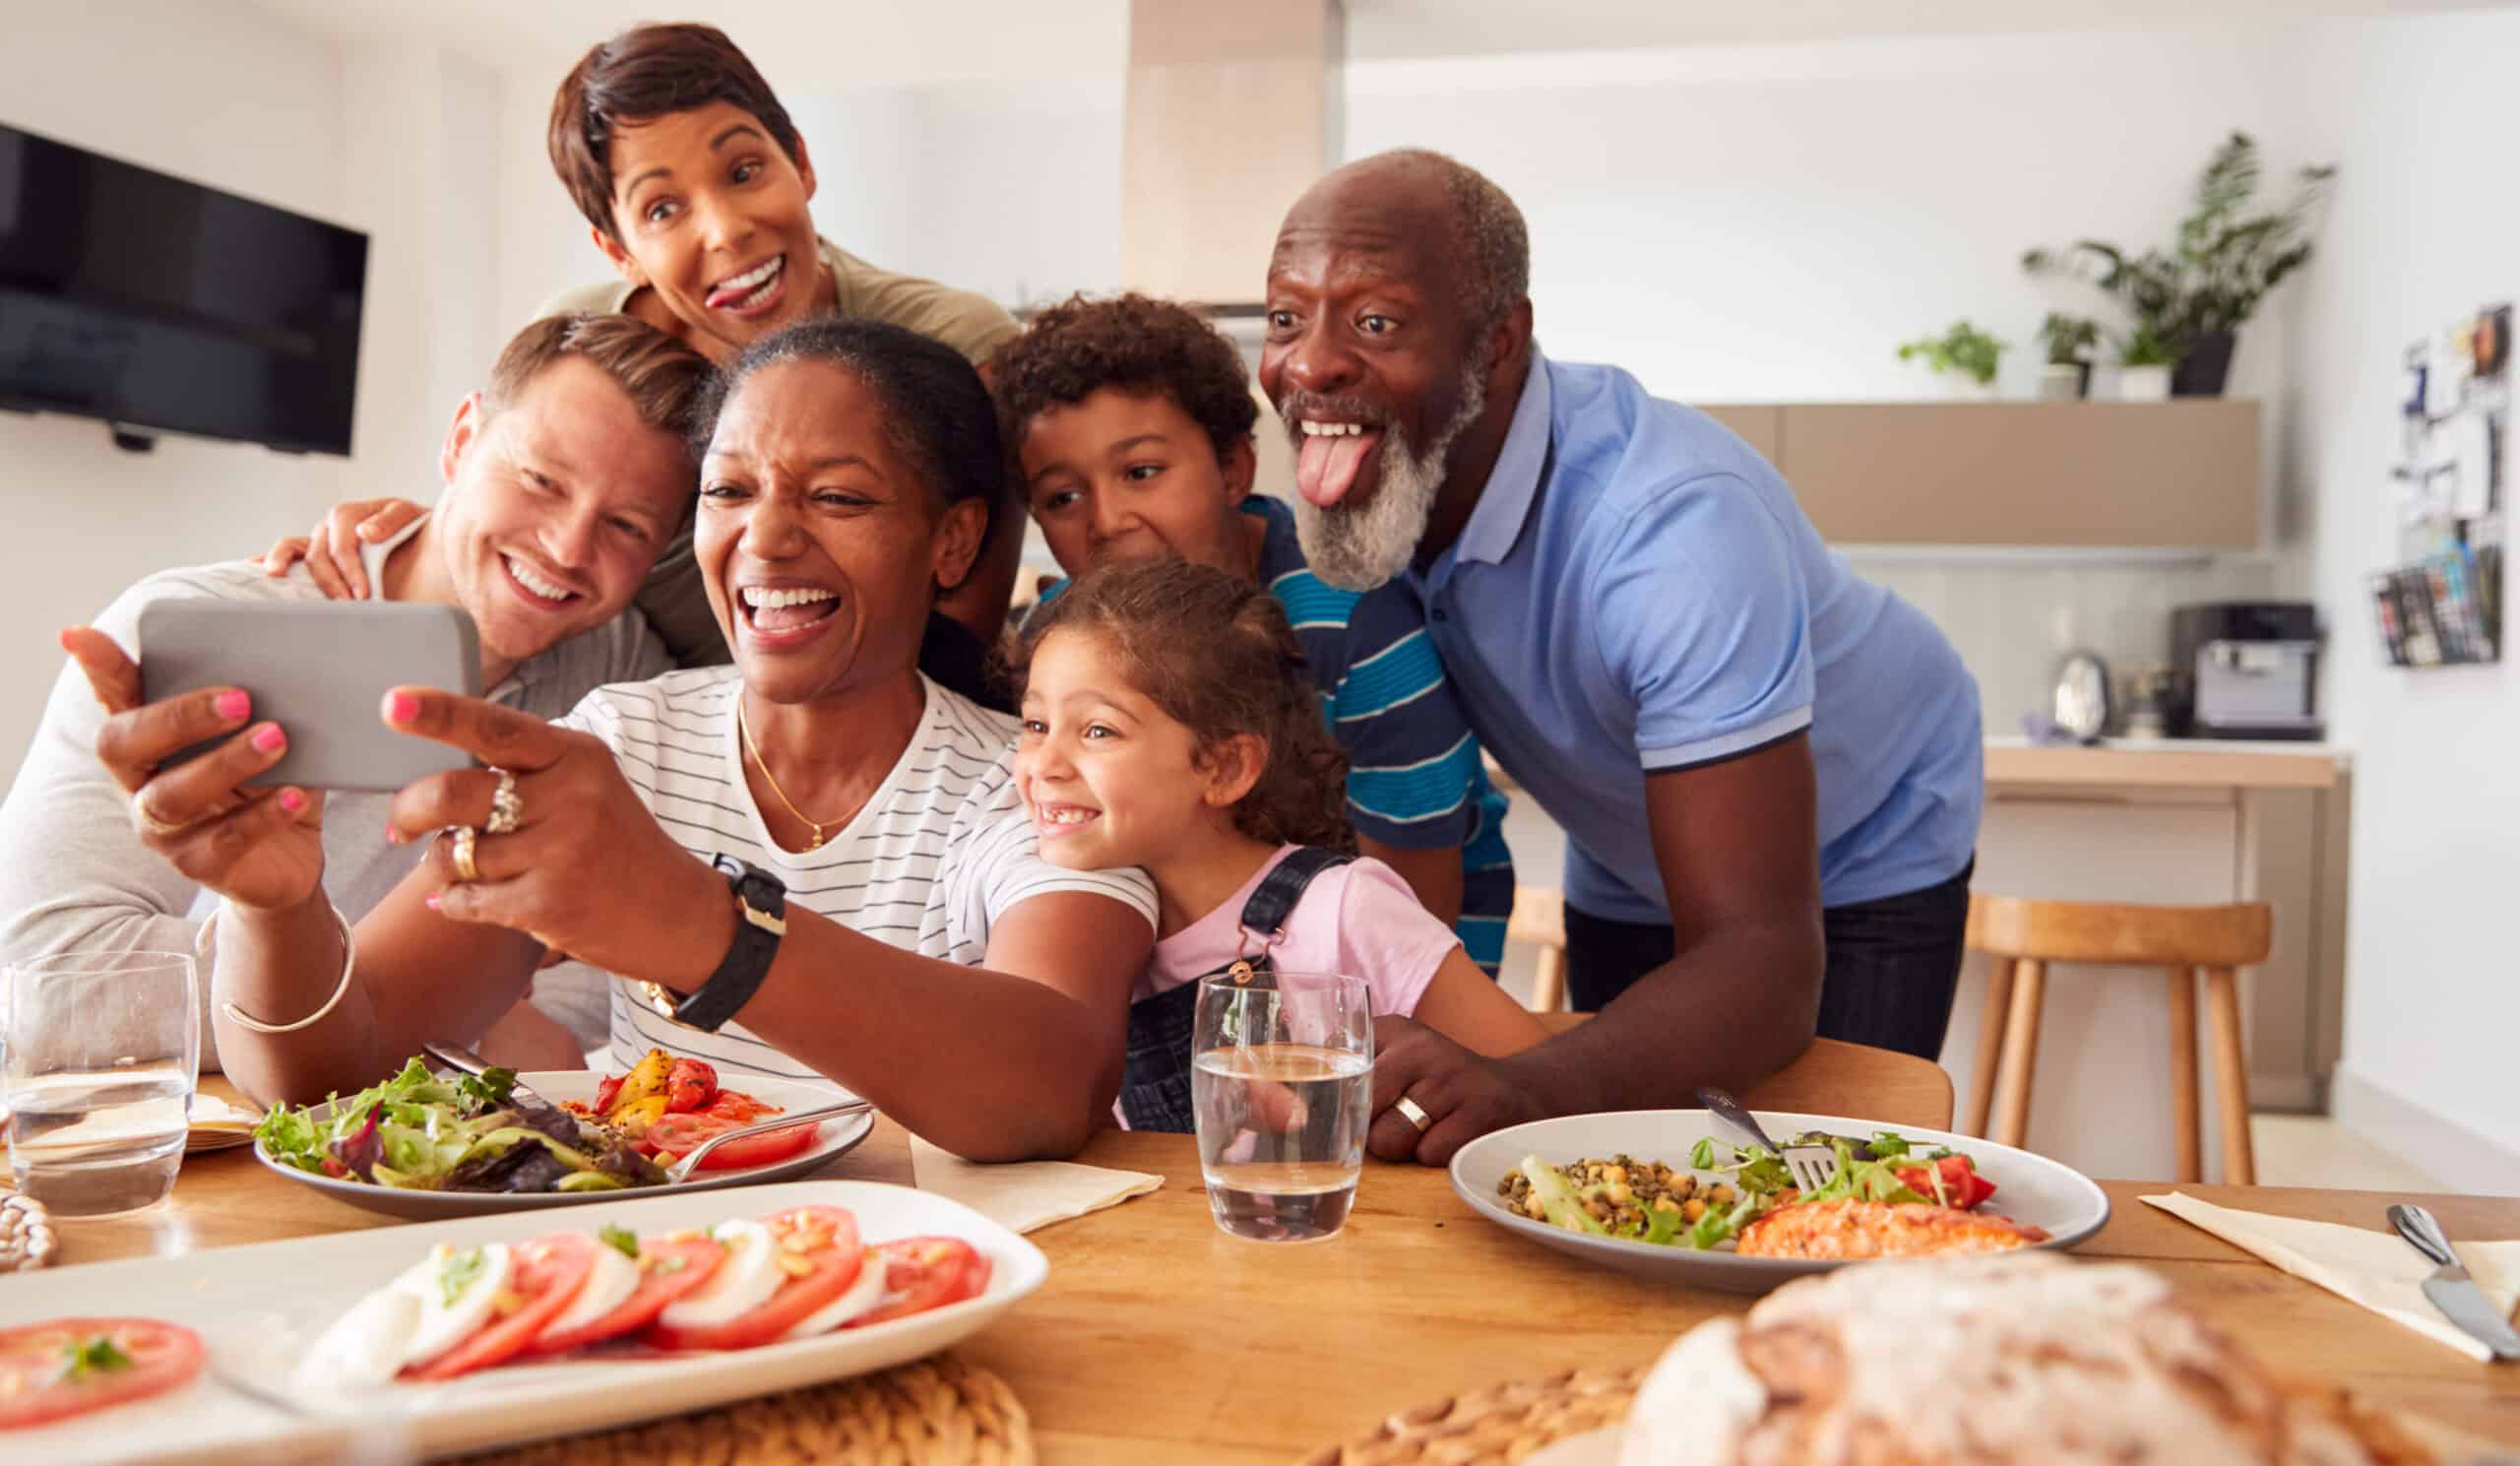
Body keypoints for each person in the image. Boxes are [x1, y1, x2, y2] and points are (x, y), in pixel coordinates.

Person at [76, 317, 1158, 1162]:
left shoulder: (1036, 777)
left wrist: (702, 928)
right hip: (644, 1269)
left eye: (834, 496)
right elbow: (328, 1070)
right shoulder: (620, 741)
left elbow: (1052, 1083)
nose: (765, 538)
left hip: (934, 1285)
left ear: (953, 539)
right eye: (728, 490)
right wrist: (279, 907)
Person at [1255, 150, 1984, 1165]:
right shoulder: (1380, 494)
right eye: (1286, 318)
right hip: (1636, 841)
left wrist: (1523, 1084)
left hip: (1862, 837)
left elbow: (1760, 961)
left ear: (1498, 341)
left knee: (1820, 1194)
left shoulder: (1670, 531)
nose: (1309, 363)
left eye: (1375, 322)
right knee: (1643, 1173)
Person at [1, 314, 709, 1070]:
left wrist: (397, 1010)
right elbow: (42, 992)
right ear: (462, 438)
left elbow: (609, 986)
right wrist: (420, 1012)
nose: (569, 548)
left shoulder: (625, 674)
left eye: (627, 525)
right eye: (540, 479)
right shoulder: (199, 635)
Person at [266, 23, 1024, 698]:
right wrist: (397, 546)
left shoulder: (955, 347)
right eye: (663, 209)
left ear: (800, 161)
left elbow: (959, 652)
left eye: (745, 171)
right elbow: (504, 521)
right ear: (619, 249)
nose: (726, 231)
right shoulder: (577, 338)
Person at [989, 292, 1516, 971]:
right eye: (1063, 497)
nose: (1106, 518)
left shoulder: (1354, 626)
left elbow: (1414, 919)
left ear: (1233, 469)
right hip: (1190, 984)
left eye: (1142, 472)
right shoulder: (1058, 640)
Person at [1011, 557, 1544, 1130]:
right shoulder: (1073, 932)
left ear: (1223, 767)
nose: (1044, 763)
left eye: (1098, 731)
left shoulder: (1346, 911)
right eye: (1036, 724)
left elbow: (1537, 1090)